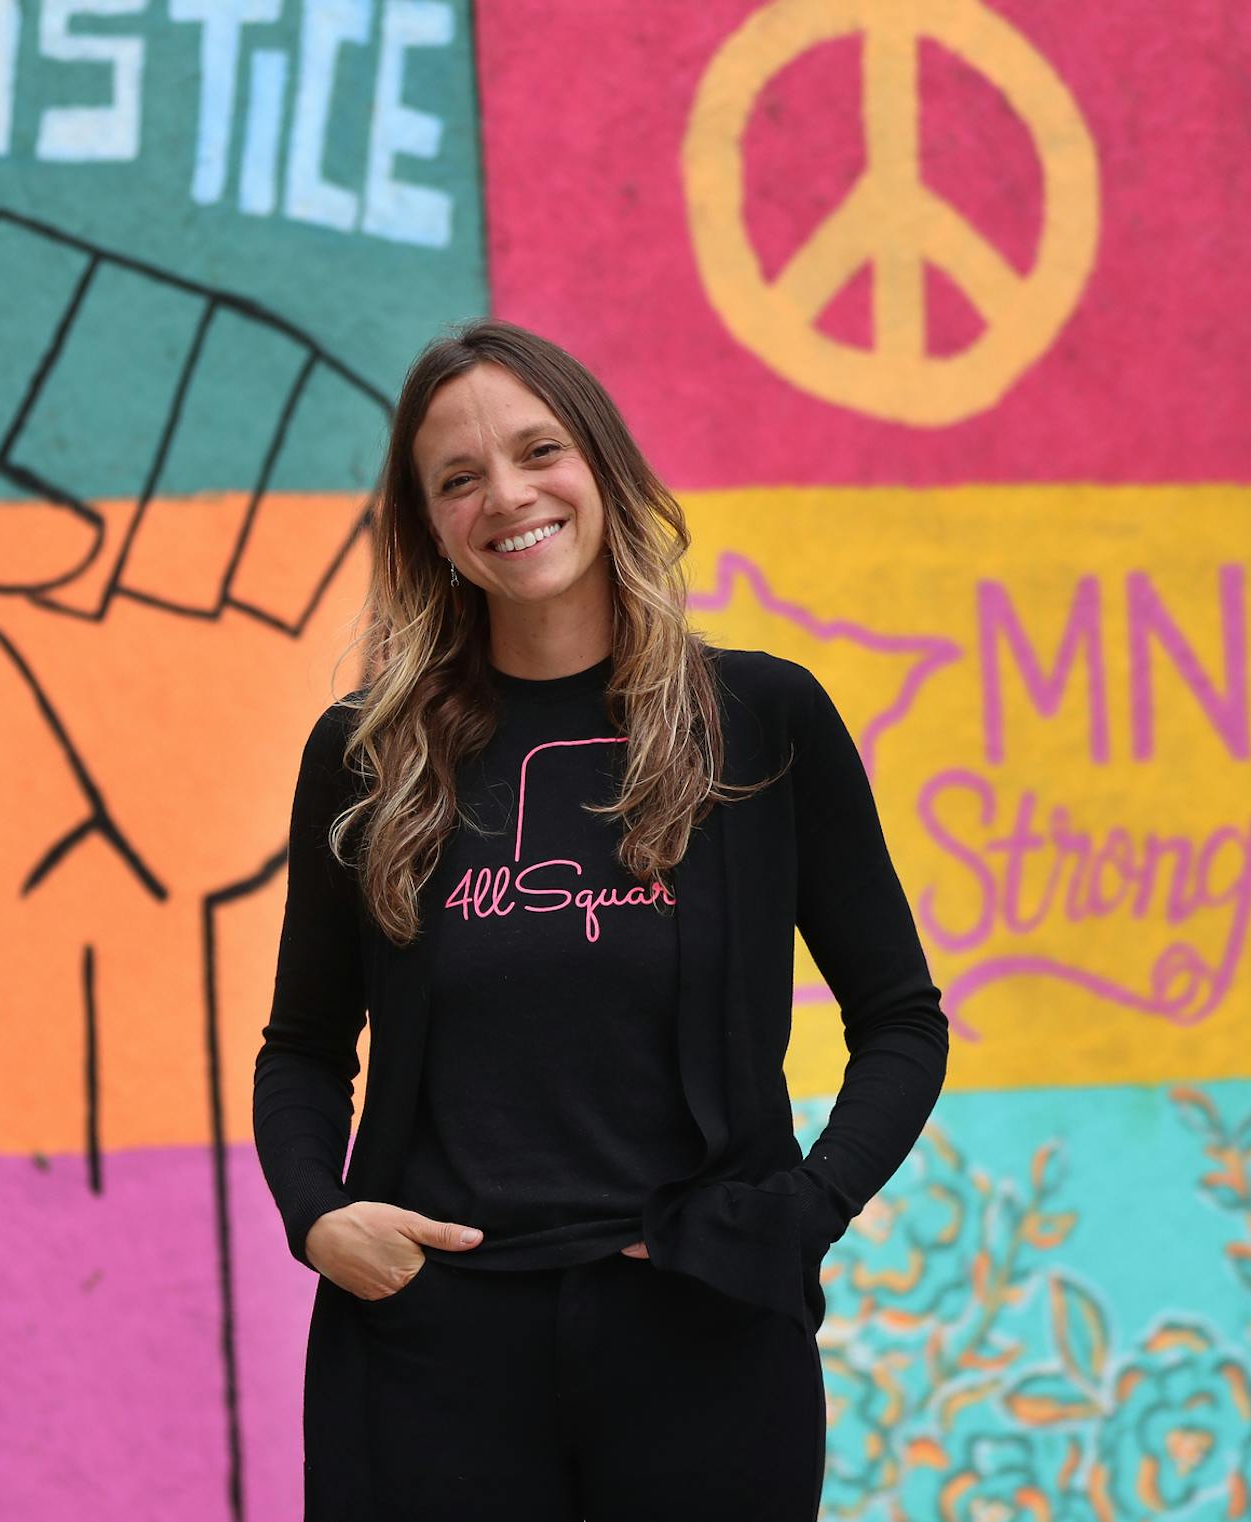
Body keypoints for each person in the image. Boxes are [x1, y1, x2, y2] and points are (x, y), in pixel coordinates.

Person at [253, 320, 948, 1519]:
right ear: (428, 526)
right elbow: (304, 1048)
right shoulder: (370, 755)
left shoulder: (759, 720)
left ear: (603, 464)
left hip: (704, 1335)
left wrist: (801, 1213)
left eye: (538, 451)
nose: (507, 497)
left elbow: (901, 1020)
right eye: (458, 479)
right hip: (432, 1350)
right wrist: (318, 1217)